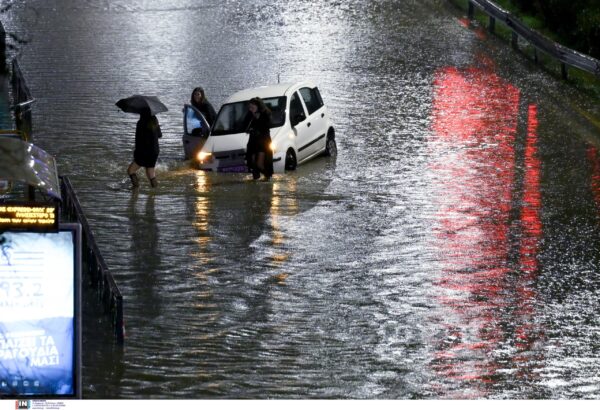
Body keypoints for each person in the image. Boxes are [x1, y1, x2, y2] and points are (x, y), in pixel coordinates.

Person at [127, 108, 162, 188]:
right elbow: (160, 135)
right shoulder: (155, 121)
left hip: (144, 151)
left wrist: (136, 154)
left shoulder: (140, 123)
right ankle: (155, 190)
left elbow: (138, 140)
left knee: (131, 171)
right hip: (155, 151)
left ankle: (136, 189)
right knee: (150, 172)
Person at [245, 97, 273, 180]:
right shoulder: (250, 114)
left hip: (263, 142)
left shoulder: (265, 114)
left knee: (259, 164)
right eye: (250, 107)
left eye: (252, 107)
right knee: (253, 163)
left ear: (258, 106)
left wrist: (257, 120)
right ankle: (257, 179)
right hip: (253, 141)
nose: (250, 109)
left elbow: (267, 126)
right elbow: (244, 125)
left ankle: (268, 176)